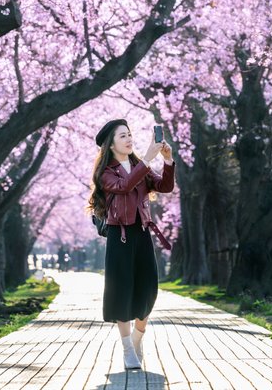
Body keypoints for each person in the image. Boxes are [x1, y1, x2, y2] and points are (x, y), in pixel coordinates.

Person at [87, 119, 175, 369]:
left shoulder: (139, 165)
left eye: (130, 134)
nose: (129, 139)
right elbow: (124, 187)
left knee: (148, 290)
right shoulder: (106, 173)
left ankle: (138, 338)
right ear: (111, 144)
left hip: (143, 233)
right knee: (121, 293)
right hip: (119, 236)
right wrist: (147, 159)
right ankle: (127, 349)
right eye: (122, 136)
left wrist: (167, 161)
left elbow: (165, 186)